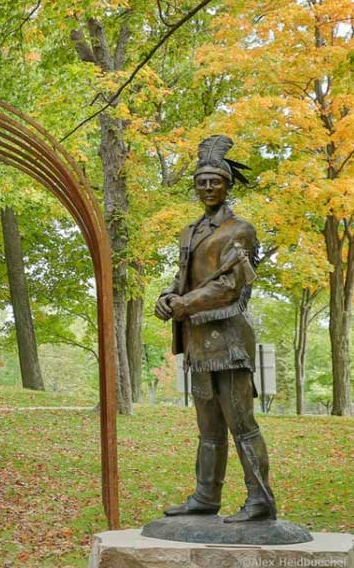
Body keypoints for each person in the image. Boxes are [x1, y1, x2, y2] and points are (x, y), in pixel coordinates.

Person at [154, 135, 276, 523]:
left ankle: (260, 498)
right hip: (197, 342)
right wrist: (167, 297)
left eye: (215, 181)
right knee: (208, 427)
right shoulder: (190, 232)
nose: (208, 187)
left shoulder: (239, 230)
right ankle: (206, 496)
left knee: (241, 423)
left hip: (229, 339)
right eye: (201, 181)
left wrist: (183, 305)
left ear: (228, 184)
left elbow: (229, 286)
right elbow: (184, 279)